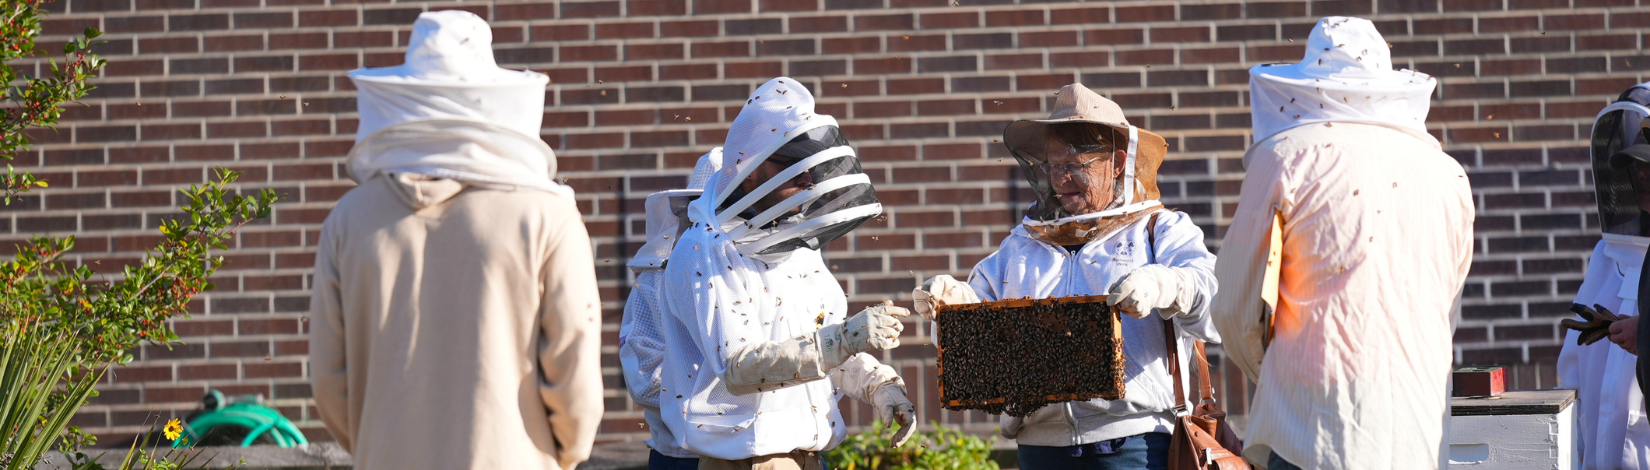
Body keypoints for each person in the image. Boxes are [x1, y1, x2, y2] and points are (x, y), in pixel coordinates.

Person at [308, 11, 601, 470]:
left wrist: (381, 441)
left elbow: (329, 379)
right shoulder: (548, 217)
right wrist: (560, 453)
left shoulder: (348, 219)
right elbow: (574, 365)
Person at [1209, 16, 1475, 470]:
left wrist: (1275, 377)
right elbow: (1445, 305)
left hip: (1311, 431)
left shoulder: (1284, 156)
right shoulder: (1447, 173)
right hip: (1417, 427)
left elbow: (1233, 305)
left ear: (1309, 79)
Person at [913, 82, 1220, 470]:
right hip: (1040, 450)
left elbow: (1215, 302)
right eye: (1053, 166)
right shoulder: (1021, 245)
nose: (1060, 180)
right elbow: (975, 338)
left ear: (1118, 163)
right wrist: (953, 306)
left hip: (1135, 447)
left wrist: (1165, 284)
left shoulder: (1159, 230)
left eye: (1075, 165)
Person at [657, 77, 917, 470]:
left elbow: (821, 343)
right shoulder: (703, 251)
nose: (806, 177)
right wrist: (843, 337)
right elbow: (740, 367)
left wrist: (878, 383)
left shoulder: (794, 245)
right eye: (792, 162)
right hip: (745, 461)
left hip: (810, 458)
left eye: (809, 163)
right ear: (750, 167)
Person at [1557, 82, 1650, 469]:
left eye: (1649, 166)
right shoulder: (1607, 252)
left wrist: (1644, 333)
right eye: (1634, 167)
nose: (1640, 177)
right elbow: (1572, 367)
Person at [621, 150, 722, 470]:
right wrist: (733, 395)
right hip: (683, 459)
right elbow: (646, 379)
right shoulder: (656, 280)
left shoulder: (761, 271)